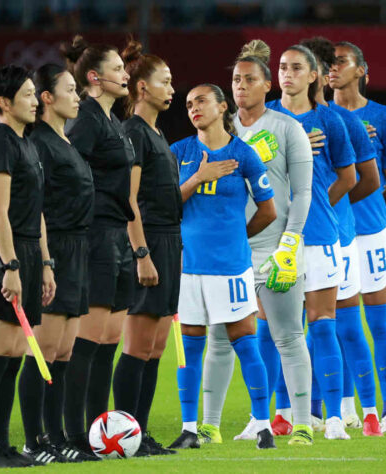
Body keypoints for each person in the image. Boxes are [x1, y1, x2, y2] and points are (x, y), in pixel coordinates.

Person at [198, 39, 315, 446]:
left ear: (268, 85)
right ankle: (210, 426)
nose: (241, 86)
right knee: (219, 337)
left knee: (287, 336)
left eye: (250, 79)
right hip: (229, 252)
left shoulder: (288, 129)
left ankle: (302, 425)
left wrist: (290, 245)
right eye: (235, 79)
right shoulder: (217, 132)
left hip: (275, 250)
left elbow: (302, 193)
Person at [168, 83, 277, 450]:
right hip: (189, 266)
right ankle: (189, 428)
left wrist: (237, 238)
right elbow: (166, 206)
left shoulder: (243, 155)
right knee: (190, 348)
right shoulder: (179, 152)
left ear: (222, 106)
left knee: (245, 343)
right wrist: (197, 178)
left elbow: (268, 210)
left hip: (230, 266)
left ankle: (263, 425)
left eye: (201, 101)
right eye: (188, 104)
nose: (193, 108)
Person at [267, 43, 357, 439]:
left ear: (313, 75)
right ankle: (284, 412)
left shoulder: (331, 121)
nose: (287, 73)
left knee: (323, 325)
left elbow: (350, 177)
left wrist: (316, 207)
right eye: (282, 67)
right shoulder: (262, 120)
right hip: (273, 238)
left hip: (319, 235)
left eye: (296, 67)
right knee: (282, 329)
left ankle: (334, 416)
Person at [299, 36, 386, 435]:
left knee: (343, 326)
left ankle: (368, 411)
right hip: (289, 240)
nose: (331, 70)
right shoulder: (280, 121)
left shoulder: (342, 120)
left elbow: (366, 180)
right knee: (295, 330)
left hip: (336, 237)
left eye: (309, 65)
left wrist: (325, 205)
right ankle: (309, 411)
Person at [330, 41, 386, 434]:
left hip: (370, 235)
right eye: (328, 63)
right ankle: (338, 408)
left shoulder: (381, 117)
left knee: (381, 322)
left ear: (362, 69)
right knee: (334, 324)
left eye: (341, 62)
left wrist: (374, 209)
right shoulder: (318, 115)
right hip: (332, 234)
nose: (333, 68)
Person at [0, 64, 56, 468]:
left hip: (27, 256)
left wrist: (45, 265)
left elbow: (35, 212)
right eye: (26, 93)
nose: (33, 99)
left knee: (13, 358)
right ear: (5, 103)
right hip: (4, 261)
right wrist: (10, 267)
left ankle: (4, 447)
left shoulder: (28, 144)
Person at [60, 35, 136, 452]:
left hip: (117, 235)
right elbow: (71, 174)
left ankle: (98, 431)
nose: (125, 74)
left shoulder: (113, 122)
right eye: (117, 69)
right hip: (95, 236)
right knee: (87, 342)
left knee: (108, 342)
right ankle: (74, 434)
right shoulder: (87, 118)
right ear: (95, 77)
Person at [18, 63, 95, 464]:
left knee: (64, 353)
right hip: (57, 252)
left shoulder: (66, 143)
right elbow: (38, 209)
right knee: (44, 352)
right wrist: (46, 262)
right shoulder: (40, 145)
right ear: (47, 98)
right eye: (69, 89)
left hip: (79, 252)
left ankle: (58, 436)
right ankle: (34, 440)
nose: (77, 96)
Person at [111, 38, 180, 456]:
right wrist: (140, 253)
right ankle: (123, 432)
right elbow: (129, 199)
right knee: (137, 346)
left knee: (154, 349)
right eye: (165, 81)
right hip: (148, 243)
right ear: (141, 88)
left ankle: (141, 433)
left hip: (169, 242)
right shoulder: (133, 132)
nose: (171, 89)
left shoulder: (156, 132)